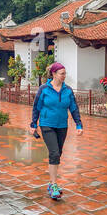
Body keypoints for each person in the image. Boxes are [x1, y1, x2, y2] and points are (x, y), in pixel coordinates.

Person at [29, 62, 84, 201]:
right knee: (54, 153)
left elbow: (74, 107)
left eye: (65, 73)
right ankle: (54, 185)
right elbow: (36, 106)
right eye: (62, 73)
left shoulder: (68, 90)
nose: (64, 76)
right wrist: (33, 123)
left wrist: (78, 124)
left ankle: (51, 183)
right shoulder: (44, 89)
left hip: (62, 125)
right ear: (54, 74)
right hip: (47, 124)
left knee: (58, 153)